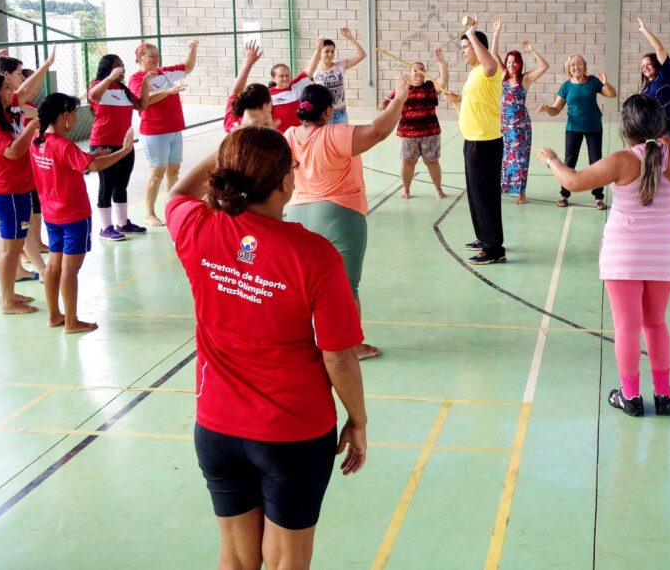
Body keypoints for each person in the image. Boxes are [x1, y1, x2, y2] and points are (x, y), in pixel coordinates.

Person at [165, 127, 367, 570]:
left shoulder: (198, 228)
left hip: (216, 429)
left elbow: (178, 192)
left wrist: (227, 149)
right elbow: (339, 356)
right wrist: (358, 418)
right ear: (283, 182)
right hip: (292, 433)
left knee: (235, 559)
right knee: (285, 562)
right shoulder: (314, 255)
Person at [538, 94, 670, 416]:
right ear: (660, 124)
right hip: (661, 256)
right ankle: (664, 395)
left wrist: (552, 159)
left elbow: (573, 181)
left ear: (626, 127)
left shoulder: (621, 160)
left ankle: (630, 396)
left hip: (622, 256)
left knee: (627, 328)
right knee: (656, 324)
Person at [285, 78, 409, 359]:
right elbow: (377, 132)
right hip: (338, 214)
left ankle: (303, 341)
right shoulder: (333, 135)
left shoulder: (290, 135)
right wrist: (399, 100)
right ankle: (351, 345)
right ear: (328, 112)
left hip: (298, 215)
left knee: (306, 286)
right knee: (344, 285)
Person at [30, 93, 135, 333]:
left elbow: (76, 162)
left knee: (54, 264)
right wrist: (124, 151)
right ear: (64, 116)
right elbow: (93, 167)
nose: (77, 118)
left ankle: (55, 316)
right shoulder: (63, 144)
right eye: (74, 113)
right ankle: (72, 321)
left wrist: (92, 155)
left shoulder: (38, 139)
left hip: (51, 213)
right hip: (73, 214)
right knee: (70, 269)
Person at [0, 51, 54, 314]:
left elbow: (27, 89)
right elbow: (12, 152)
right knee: (11, 246)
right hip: (6, 189)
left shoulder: (8, 109)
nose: (12, 89)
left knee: (10, 246)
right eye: (7, 87)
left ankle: (9, 293)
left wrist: (46, 65)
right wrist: (32, 128)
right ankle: (6, 301)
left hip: (18, 187)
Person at [443, 19, 508, 264]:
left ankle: (494, 248)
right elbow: (479, 101)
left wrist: (471, 33)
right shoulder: (475, 73)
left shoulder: (489, 69)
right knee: (475, 194)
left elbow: (491, 61)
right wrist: (457, 98)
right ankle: (483, 236)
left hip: (485, 143)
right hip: (472, 140)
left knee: (485, 196)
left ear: (476, 45)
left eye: (466, 46)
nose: (463, 51)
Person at [129, 39, 198, 227]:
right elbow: (144, 100)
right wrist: (168, 92)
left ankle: (172, 208)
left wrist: (192, 49)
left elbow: (187, 67)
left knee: (174, 171)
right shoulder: (138, 78)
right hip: (154, 132)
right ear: (140, 57)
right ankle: (149, 214)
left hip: (174, 129)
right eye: (151, 56)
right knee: (156, 173)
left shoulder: (164, 72)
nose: (155, 59)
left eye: (157, 56)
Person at [536, 53, 616, 210]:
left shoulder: (593, 81)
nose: (576, 67)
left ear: (584, 66)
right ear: (568, 69)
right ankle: (564, 194)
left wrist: (606, 84)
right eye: (573, 65)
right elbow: (556, 109)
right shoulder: (566, 86)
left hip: (594, 128)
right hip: (573, 129)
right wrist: (547, 109)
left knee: (596, 162)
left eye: (579, 64)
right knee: (569, 161)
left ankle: (598, 197)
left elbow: (612, 94)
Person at [88, 54, 154, 241]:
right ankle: (105, 227)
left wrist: (146, 84)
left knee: (121, 184)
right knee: (106, 185)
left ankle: (122, 222)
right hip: (104, 143)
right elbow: (93, 96)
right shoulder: (98, 85)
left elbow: (142, 105)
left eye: (123, 66)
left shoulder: (123, 90)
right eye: (117, 66)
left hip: (124, 144)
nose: (122, 69)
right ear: (107, 68)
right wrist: (109, 78)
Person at [380, 48, 449, 200]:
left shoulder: (430, 87)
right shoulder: (402, 88)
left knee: (432, 161)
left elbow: (443, 80)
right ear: (409, 73)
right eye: (414, 70)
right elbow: (387, 105)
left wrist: (440, 61)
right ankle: (406, 190)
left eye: (421, 70)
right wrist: (385, 103)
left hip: (430, 133)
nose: (418, 72)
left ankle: (438, 189)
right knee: (408, 162)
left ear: (425, 73)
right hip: (408, 134)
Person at [500, 40, 549, 204]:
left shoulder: (525, 79)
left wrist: (532, 50)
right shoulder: (503, 77)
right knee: (506, 158)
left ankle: (522, 194)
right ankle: (504, 187)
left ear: (519, 63)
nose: (511, 64)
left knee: (520, 158)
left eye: (514, 61)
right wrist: (496, 34)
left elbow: (544, 66)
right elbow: (492, 55)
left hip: (521, 126)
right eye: (508, 61)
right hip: (505, 125)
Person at [637, 17, 670, 146]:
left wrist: (645, 31)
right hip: (659, 130)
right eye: (643, 66)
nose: (645, 68)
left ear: (656, 64)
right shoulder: (645, 89)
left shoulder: (665, 75)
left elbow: (659, 49)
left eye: (648, 64)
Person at [309, 30, 367, 124]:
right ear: (320, 52)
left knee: (343, 138)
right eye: (326, 51)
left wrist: (350, 38)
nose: (330, 54)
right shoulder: (314, 70)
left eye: (332, 51)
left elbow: (361, 55)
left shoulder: (339, 66)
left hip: (341, 113)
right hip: (324, 114)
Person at [222, 41, 275, 133]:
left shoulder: (231, 123)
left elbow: (234, 93)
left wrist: (248, 63)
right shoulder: (264, 134)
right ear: (265, 106)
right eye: (270, 101)